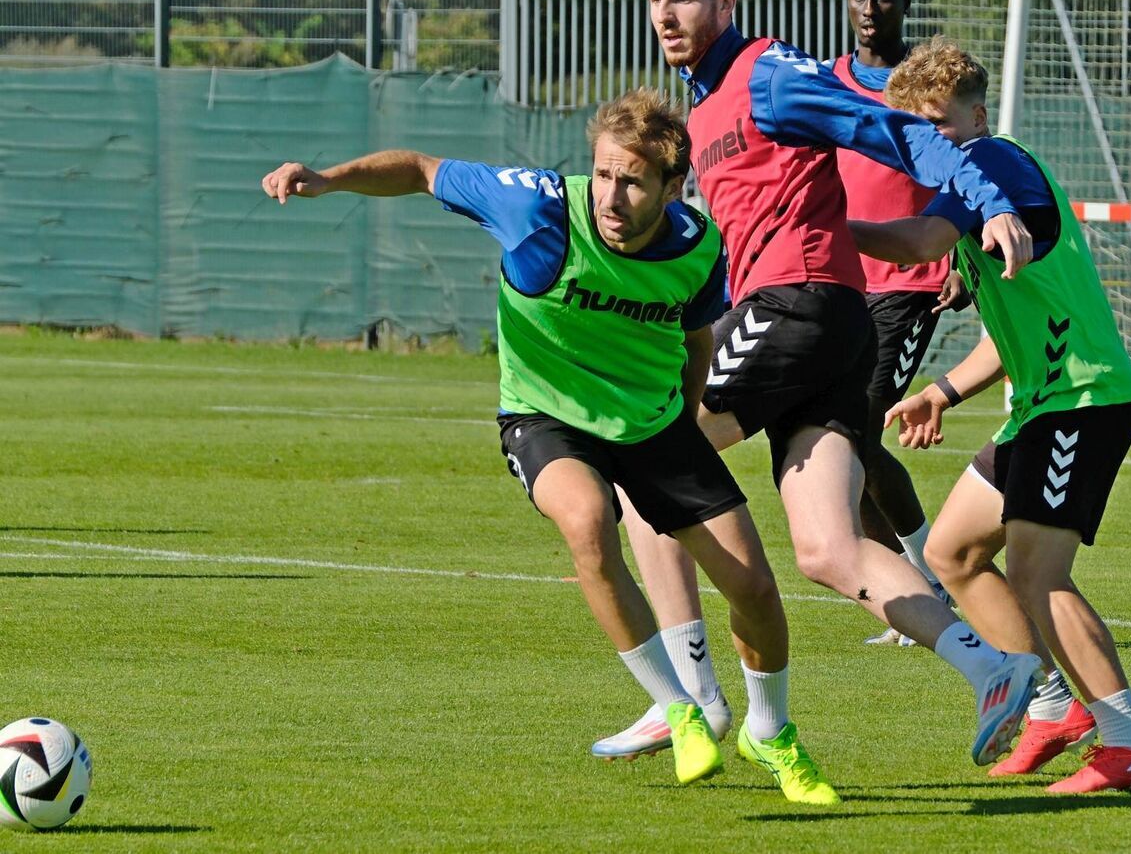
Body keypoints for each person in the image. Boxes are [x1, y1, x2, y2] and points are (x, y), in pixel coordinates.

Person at [259, 89, 839, 805]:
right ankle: (680, 708)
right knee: (590, 522)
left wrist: (683, 432)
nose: (611, 196)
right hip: (544, 416)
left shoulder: (698, 245)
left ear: (671, 186)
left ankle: (771, 731)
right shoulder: (535, 208)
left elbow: (695, 340)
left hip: (653, 422)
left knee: (753, 586)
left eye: (631, 180)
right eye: (602, 174)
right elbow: (417, 167)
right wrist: (328, 178)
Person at [598, 0, 1045, 778]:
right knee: (828, 547)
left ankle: (686, 702)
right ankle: (994, 668)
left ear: (726, 4)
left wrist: (983, 197)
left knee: (638, 467)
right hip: (826, 329)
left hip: (801, 308)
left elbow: (880, 126)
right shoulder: (699, 115)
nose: (666, 13)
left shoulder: (767, 74)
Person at [863, 37, 1131, 793]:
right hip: (1039, 406)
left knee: (1039, 570)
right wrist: (942, 391)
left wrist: (808, 236)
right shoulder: (971, 193)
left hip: (1082, 398)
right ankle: (1051, 708)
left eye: (940, 123)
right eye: (914, 129)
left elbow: (916, 243)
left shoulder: (992, 164)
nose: (927, 141)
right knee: (956, 551)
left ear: (976, 115)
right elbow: (1014, 335)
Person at [835, 0, 962, 646]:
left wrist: (961, 255)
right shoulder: (829, 81)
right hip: (842, 284)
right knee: (840, 447)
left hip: (909, 285)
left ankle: (931, 587)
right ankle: (914, 596)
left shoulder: (926, 87)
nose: (868, 9)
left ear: (905, 0)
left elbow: (972, 163)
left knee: (857, 432)